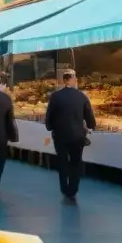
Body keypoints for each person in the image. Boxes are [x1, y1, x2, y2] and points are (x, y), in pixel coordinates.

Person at [45, 69, 96, 201]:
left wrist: (50, 127)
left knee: (62, 161)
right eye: (75, 78)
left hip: (60, 136)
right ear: (72, 79)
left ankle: (64, 188)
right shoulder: (82, 96)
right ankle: (73, 189)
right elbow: (89, 118)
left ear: (64, 80)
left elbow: (49, 116)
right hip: (77, 136)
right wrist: (90, 126)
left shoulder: (55, 96)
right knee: (76, 161)